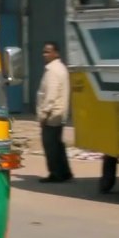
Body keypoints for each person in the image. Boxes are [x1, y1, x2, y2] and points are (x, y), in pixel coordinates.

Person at [35, 41, 73, 183]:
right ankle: (65, 172)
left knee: (50, 146)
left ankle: (55, 173)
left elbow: (50, 95)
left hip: (52, 115)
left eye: (48, 51)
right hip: (59, 113)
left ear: (56, 53)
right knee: (58, 145)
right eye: (44, 51)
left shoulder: (52, 71)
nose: (45, 54)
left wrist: (44, 115)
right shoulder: (61, 68)